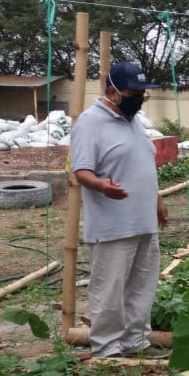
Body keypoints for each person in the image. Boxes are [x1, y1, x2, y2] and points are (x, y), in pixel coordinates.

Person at [70, 61, 169, 358]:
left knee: (142, 286)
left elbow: (141, 164)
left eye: (142, 94)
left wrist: (157, 200)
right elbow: (81, 170)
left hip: (144, 221)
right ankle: (107, 348)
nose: (138, 99)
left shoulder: (133, 122)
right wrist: (102, 186)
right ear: (113, 91)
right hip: (113, 225)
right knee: (110, 289)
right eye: (133, 93)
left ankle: (136, 342)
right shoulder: (90, 123)